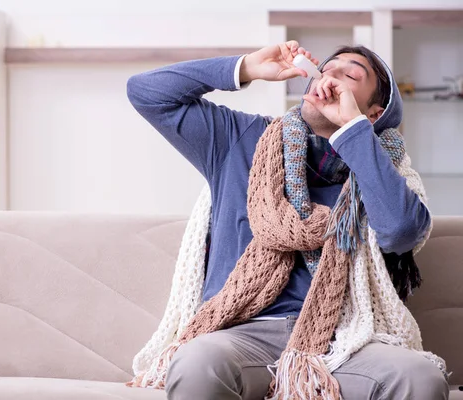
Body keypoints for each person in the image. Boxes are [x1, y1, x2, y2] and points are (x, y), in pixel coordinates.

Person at [126, 41, 449, 400]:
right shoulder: (242, 140)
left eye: (350, 75)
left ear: (373, 114)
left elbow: (401, 232)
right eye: (329, 67)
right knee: (197, 362)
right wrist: (247, 66)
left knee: (420, 378)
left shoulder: (385, 171)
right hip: (241, 335)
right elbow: (146, 93)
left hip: (342, 340)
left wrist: (353, 132)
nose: (330, 75)